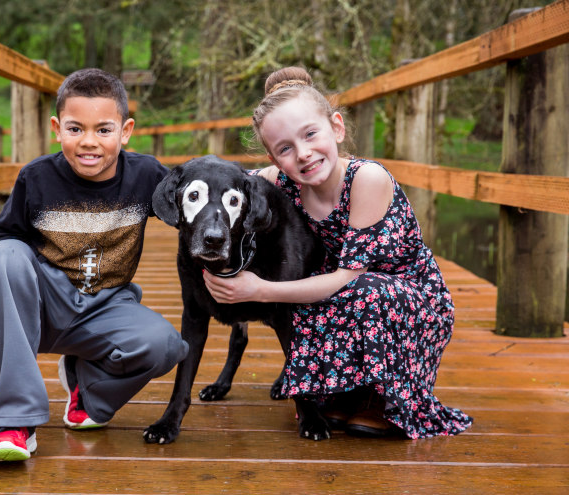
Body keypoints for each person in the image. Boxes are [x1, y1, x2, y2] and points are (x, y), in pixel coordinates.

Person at [203, 67, 473, 440]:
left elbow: (348, 279)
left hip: (404, 303)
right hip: (338, 300)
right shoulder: (280, 182)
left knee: (361, 290)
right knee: (311, 288)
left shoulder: (366, 179)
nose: (303, 154)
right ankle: (347, 392)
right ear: (273, 158)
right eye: (285, 149)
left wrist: (259, 289)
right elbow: (224, 182)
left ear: (337, 128)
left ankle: (382, 401)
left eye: (311, 134)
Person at [0, 68, 189, 462]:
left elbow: (191, 200)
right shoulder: (36, 178)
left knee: (166, 345)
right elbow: (3, 244)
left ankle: (87, 389)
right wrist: (20, 291)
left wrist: (260, 180)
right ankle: (13, 421)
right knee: (3, 257)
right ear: (57, 128)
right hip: (41, 305)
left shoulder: (146, 176)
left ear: (125, 131)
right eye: (75, 129)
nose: (89, 142)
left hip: (104, 307)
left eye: (103, 130)